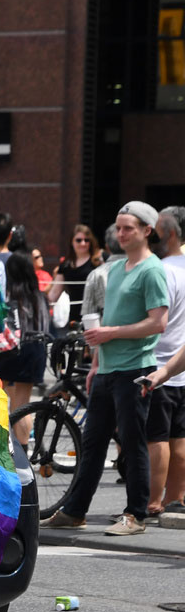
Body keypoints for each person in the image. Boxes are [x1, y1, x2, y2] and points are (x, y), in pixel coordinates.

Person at [41, 201, 168, 536]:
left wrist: (109, 334)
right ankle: (75, 510)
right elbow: (109, 320)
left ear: (147, 231)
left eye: (128, 228)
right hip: (108, 369)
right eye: (118, 227)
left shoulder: (152, 270)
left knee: (132, 440)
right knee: (93, 442)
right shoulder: (116, 269)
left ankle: (136, 514)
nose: (120, 233)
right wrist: (97, 361)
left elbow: (158, 323)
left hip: (135, 368)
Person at [145, 206, 185, 520]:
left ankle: (153, 502)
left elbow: (157, 319)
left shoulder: (162, 270)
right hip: (181, 365)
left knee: (157, 438)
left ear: (170, 234)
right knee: (180, 438)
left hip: (159, 363)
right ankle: (176, 498)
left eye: (156, 228)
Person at [0, 253, 50, 447]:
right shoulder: (39, 296)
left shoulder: (8, 295)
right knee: (22, 403)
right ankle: (23, 453)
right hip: (36, 349)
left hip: (10, 348)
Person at [48, 224, 103, 325]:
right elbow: (54, 294)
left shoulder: (98, 261)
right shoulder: (65, 265)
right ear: (72, 242)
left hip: (95, 317)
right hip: (74, 318)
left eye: (86, 240)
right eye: (78, 240)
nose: (83, 243)